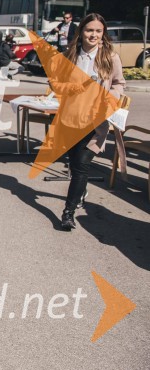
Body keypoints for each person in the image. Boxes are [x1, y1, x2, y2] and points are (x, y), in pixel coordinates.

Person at [48, 13, 125, 230]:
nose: (93, 35)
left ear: (103, 33)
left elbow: (119, 84)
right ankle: (80, 192)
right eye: (89, 30)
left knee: (82, 166)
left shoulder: (110, 57)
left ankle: (68, 213)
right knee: (74, 166)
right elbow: (55, 83)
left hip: (95, 123)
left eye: (98, 31)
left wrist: (111, 97)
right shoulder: (69, 55)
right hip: (70, 120)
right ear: (81, 31)